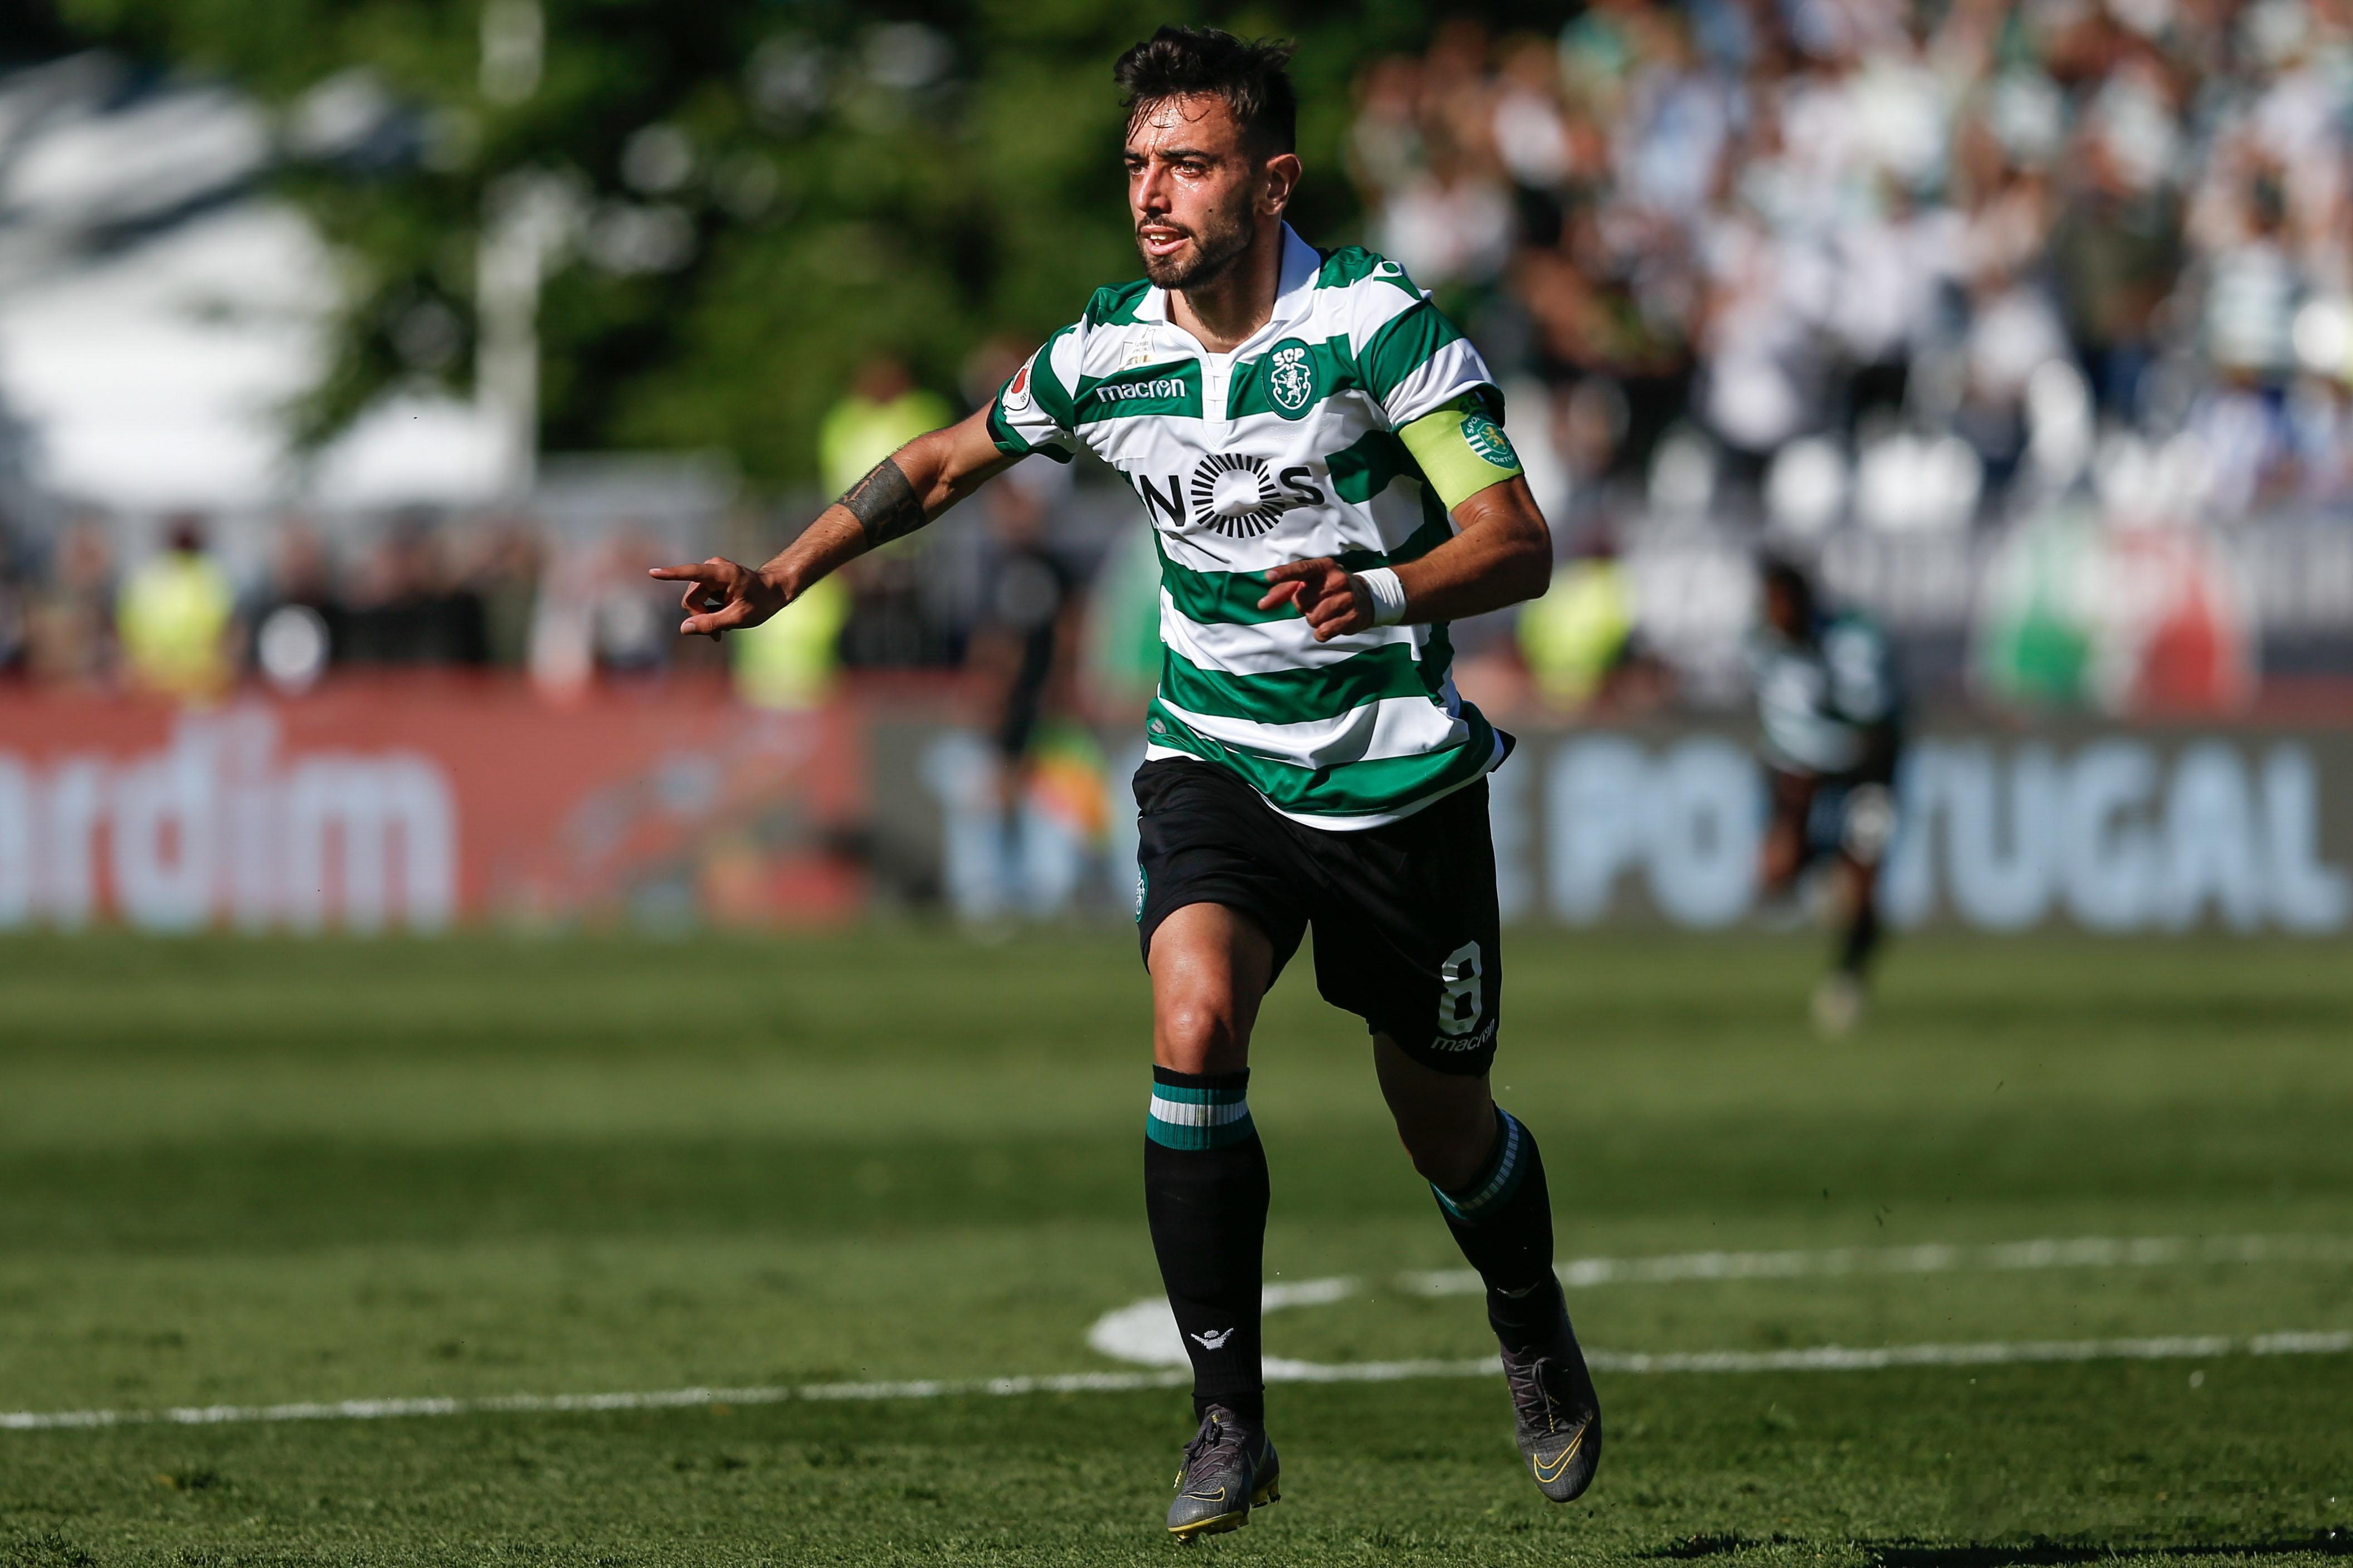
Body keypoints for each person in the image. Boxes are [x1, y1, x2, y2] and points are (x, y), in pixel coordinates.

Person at [652, 27, 1596, 1538]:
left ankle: (1528, 1316)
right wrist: (782, 570)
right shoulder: (1108, 348)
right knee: (1190, 1021)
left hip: (1393, 784)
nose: (1153, 193)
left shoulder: (1375, 326)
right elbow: (944, 462)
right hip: (1210, 758)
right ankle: (1227, 1416)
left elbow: (1516, 540)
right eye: (1139, 164)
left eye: (1190, 164)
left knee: (1443, 1123)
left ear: (1271, 182)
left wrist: (1380, 587)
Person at [1751, 556, 1904, 1035]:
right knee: (1775, 874)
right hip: (1797, 768)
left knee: (1865, 877)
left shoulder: (1852, 643)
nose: (1774, 614)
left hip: (1867, 767)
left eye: (1780, 602)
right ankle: (1824, 869)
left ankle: (1848, 977)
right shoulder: (1759, 643)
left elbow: (1874, 720)